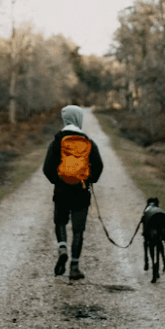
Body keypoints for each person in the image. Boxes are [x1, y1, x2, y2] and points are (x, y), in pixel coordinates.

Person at [42, 104, 104, 280]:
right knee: (78, 230)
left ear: (65, 119)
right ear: (79, 119)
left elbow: (47, 168)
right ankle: (74, 267)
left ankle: (62, 247)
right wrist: (88, 179)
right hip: (81, 192)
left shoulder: (56, 142)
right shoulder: (88, 142)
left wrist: (59, 180)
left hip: (61, 191)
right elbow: (98, 167)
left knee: (60, 222)